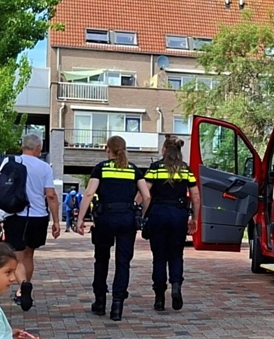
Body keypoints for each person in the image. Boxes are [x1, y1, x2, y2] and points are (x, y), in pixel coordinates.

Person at [76, 136, 151, 322]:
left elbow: (88, 193)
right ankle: (117, 306)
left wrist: (80, 219)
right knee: (123, 262)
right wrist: (139, 213)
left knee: (101, 260)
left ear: (108, 149)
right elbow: (147, 196)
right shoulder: (133, 169)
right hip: (127, 219)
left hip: (105, 219)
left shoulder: (101, 168)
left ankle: (100, 302)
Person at [0, 134, 61, 311]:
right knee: (29, 254)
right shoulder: (45, 167)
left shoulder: (9, 162)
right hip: (39, 217)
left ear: (22, 147)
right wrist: (57, 220)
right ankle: (22, 292)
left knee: (17, 256)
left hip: (16, 215)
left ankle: (23, 285)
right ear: (38, 148)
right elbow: (50, 195)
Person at [144, 136, 200, 312]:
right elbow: (196, 196)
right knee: (176, 255)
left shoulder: (155, 168)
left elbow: (145, 194)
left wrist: (142, 213)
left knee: (159, 257)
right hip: (178, 214)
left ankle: (159, 297)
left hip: (158, 214)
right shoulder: (186, 170)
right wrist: (195, 219)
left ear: (164, 150)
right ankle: (176, 286)